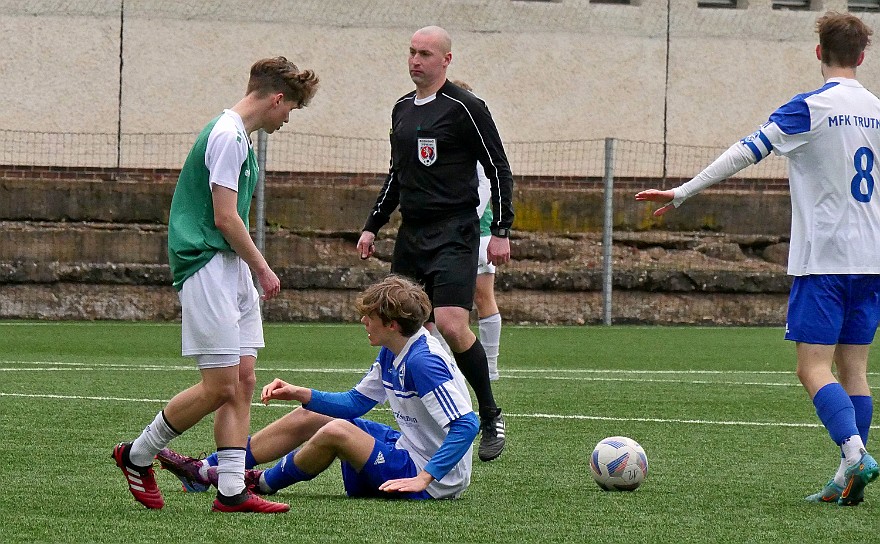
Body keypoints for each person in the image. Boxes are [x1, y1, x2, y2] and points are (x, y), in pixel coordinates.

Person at [635, 11, 880, 506]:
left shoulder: (810, 107)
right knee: (854, 371)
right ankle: (849, 476)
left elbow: (746, 151)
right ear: (861, 55)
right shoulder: (878, 109)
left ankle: (854, 453)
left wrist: (683, 191)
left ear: (819, 53)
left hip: (823, 260)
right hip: (871, 258)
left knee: (812, 368)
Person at [111, 56, 319, 513]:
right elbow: (225, 218)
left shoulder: (239, 136)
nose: (288, 119)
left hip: (230, 268)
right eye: (291, 109)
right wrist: (263, 267)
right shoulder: (227, 135)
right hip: (206, 263)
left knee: (243, 380)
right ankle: (138, 454)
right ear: (277, 98)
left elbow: (233, 217)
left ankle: (230, 491)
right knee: (220, 386)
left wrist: (248, 271)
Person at [156, 275, 480, 500]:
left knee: (337, 431)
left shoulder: (424, 361)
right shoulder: (394, 349)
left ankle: (259, 484)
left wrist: (426, 477)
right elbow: (355, 402)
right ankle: (207, 470)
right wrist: (301, 393)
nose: (363, 322)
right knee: (310, 415)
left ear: (392, 324)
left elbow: (468, 424)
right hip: (408, 448)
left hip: (434, 479)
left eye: (369, 317)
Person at [355, 26, 514, 462]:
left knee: (449, 322)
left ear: (446, 60)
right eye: (411, 52)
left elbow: (499, 167)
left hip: (456, 232)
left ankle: (488, 413)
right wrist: (373, 225)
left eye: (425, 53)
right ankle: (420, 421)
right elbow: (397, 175)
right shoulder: (402, 109)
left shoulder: (466, 107)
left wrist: (500, 230)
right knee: (398, 326)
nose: (415, 61)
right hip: (412, 232)